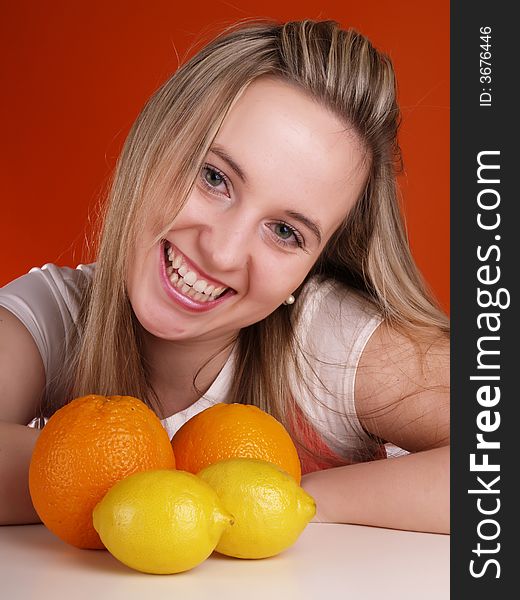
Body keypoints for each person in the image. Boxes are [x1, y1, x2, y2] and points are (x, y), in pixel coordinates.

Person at [0, 19, 449, 533]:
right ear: (154, 143)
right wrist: (193, 495)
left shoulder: (329, 344)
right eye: (214, 177)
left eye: (285, 231)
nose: (223, 251)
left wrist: (300, 499)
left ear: (311, 268)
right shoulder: (52, 316)